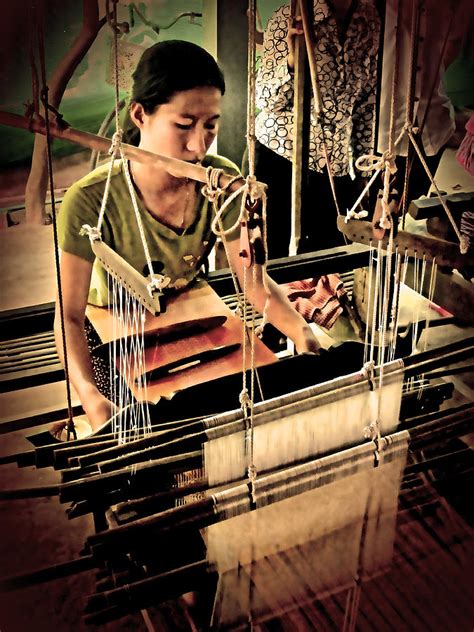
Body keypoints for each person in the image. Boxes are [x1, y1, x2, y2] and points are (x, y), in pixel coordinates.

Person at [55, 40, 319, 435]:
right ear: (140, 114)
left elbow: (253, 281)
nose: (198, 145)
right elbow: (68, 316)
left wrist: (301, 331)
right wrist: (91, 398)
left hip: (190, 313)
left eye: (211, 125)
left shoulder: (220, 182)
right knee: (146, 439)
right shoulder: (90, 201)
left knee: (249, 416)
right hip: (112, 328)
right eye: (183, 125)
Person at [253, 0, 381, 258]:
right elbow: (266, 101)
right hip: (281, 156)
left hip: (334, 165)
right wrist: (290, 62)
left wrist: (362, 173)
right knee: (274, 257)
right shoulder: (289, 18)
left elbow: (366, 104)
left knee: (328, 260)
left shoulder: (369, 20)